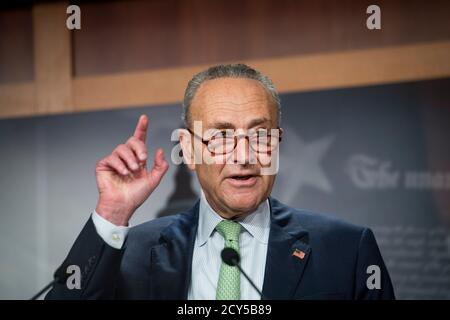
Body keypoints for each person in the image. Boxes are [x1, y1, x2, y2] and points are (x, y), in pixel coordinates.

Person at [46, 64, 395, 300]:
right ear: (189, 149)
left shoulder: (348, 252)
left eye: (259, 136)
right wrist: (112, 212)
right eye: (221, 137)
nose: (243, 155)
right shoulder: (131, 253)